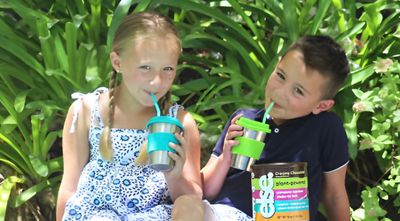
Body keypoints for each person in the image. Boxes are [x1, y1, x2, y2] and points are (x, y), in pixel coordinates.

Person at [56, 11, 202, 221]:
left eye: (167, 69)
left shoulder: (180, 122)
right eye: (145, 68)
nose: (157, 82)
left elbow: (191, 201)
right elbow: (69, 189)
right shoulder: (86, 111)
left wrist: (174, 176)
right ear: (117, 62)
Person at [200, 35, 351, 221]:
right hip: (223, 214)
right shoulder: (243, 120)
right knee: (187, 205)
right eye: (280, 76)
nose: (280, 92)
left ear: (321, 106)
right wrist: (225, 157)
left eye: (298, 91)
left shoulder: (324, 128)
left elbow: (334, 196)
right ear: (276, 66)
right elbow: (205, 191)